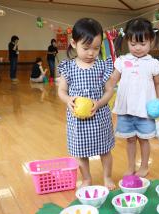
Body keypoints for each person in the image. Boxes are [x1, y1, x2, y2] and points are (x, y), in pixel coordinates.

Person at [57, 18, 115, 189]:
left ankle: (107, 177)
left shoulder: (102, 66)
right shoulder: (68, 67)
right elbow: (62, 91)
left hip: (100, 116)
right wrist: (68, 100)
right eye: (86, 48)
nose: (91, 53)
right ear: (74, 43)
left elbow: (109, 91)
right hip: (77, 120)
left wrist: (99, 103)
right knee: (80, 152)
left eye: (96, 48)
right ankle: (87, 178)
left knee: (105, 149)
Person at [109, 18, 159, 177]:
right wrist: (105, 90)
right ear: (127, 41)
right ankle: (130, 166)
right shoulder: (122, 61)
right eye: (133, 44)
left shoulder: (153, 63)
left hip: (145, 110)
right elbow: (113, 79)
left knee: (144, 140)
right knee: (130, 140)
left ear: (151, 41)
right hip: (126, 110)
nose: (138, 48)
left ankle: (144, 166)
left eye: (143, 44)